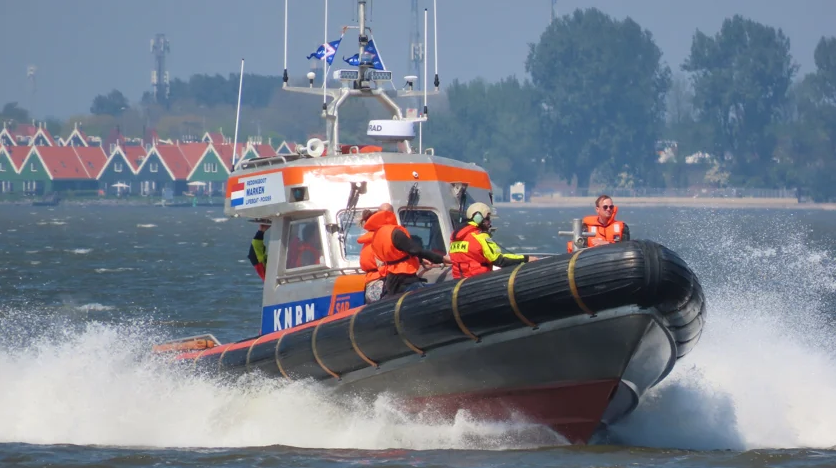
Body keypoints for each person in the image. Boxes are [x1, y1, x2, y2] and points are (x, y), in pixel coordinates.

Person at [365, 202, 451, 299]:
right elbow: (416, 250)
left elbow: (395, 253)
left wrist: (420, 260)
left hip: (391, 278)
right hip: (405, 277)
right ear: (391, 214)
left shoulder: (377, 235)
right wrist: (442, 259)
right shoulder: (395, 233)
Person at [449, 202, 538, 279]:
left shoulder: (454, 237)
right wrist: (526, 258)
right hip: (478, 281)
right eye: (487, 219)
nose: (489, 222)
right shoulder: (480, 236)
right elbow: (499, 260)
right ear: (478, 218)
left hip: (460, 282)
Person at [357, 209, 384, 303]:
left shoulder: (367, 243)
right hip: (380, 284)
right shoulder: (378, 241)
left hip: (369, 285)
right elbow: (383, 267)